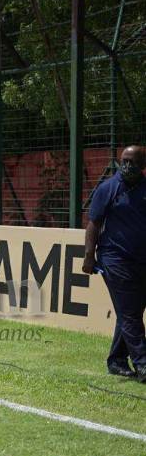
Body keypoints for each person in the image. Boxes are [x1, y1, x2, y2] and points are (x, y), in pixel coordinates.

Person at [83, 145, 146, 382]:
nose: (127, 165)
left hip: (142, 261)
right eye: (124, 160)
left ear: (143, 165)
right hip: (114, 259)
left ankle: (117, 361)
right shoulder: (108, 188)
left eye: (132, 161)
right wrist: (89, 256)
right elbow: (93, 225)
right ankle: (143, 364)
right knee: (130, 313)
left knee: (129, 311)